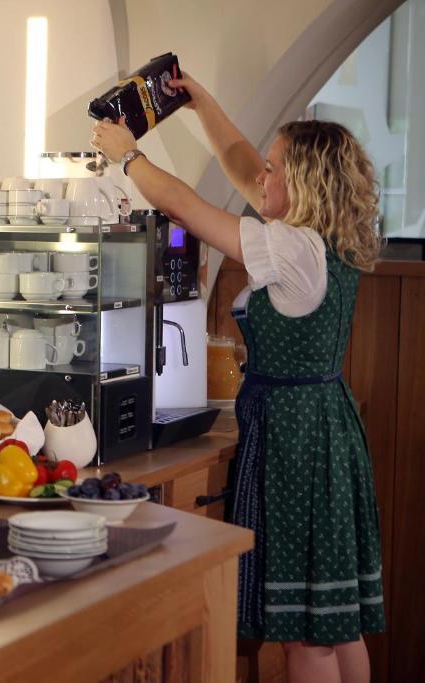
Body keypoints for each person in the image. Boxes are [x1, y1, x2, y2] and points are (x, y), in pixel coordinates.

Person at [90, 75, 384, 683]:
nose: (262, 180)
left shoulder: (292, 247)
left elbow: (186, 208)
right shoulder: (328, 239)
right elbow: (243, 164)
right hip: (326, 427)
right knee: (335, 619)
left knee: (307, 636)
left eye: (276, 171)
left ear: (304, 184)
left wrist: (127, 156)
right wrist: (198, 102)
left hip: (298, 438)